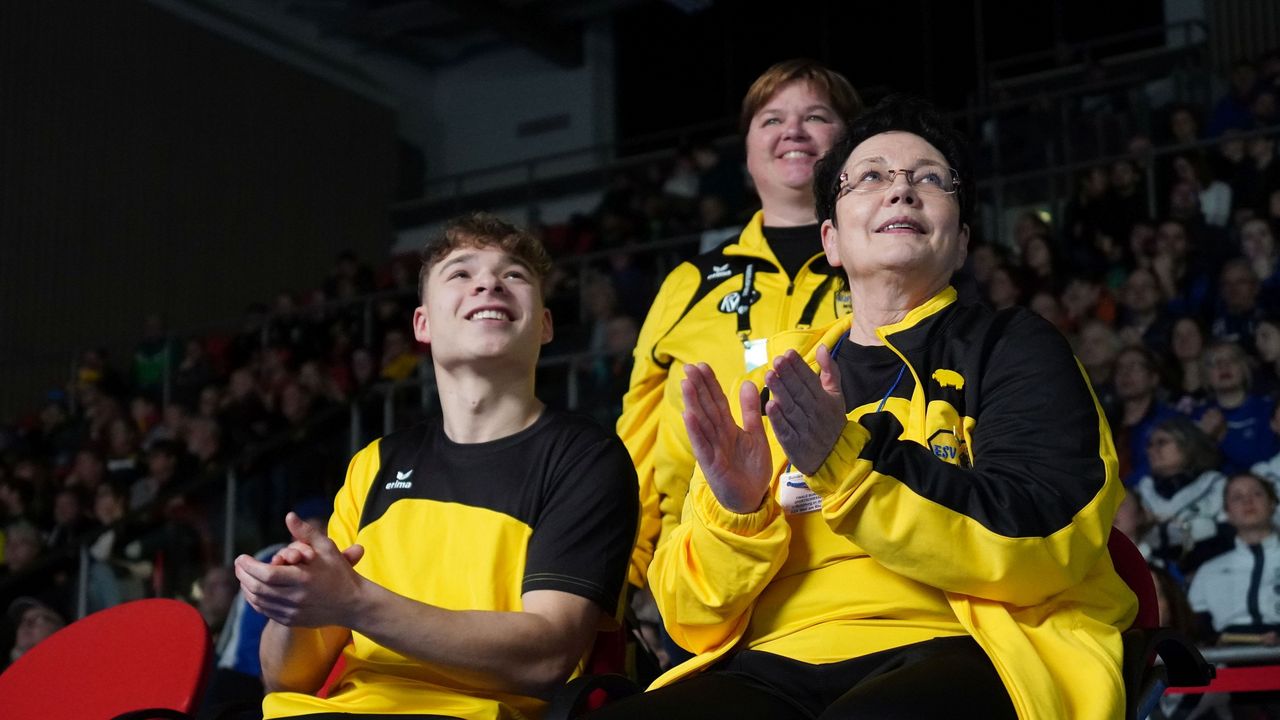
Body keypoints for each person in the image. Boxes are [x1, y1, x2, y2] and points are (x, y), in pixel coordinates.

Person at [589, 96, 1134, 719]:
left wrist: (848, 464)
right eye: (871, 177)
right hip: (768, 665)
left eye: (930, 179)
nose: (901, 191)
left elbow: (1045, 535)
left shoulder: (1014, 346)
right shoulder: (774, 383)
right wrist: (736, 514)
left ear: (960, 243)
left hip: (960, 645)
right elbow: (689, 615)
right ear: (832, 241)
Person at [234, 214, 638, 719]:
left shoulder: (585, 457)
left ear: (546, 324)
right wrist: (300, 601)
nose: (489, 282)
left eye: (513, 274)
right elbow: (285, 677)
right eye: (461, 273)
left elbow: (546, 656)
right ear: (422, 325)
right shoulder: (375, 464)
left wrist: (355, 601)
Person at [617, 59, 862, 587]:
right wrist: (626, 574)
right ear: (747, 152)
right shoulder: (691, 282)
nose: (793, 131)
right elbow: (637, 434)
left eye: (816, 116)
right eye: (771, 120)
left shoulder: (883, 269)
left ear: (852, 144)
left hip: (856, 559)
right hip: (706, 567)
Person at [1188, 472, 1280, 644]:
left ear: (1273, 503)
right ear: (1227, 512)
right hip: (1229, 662)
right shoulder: (1209, 571)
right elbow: (1197, 627)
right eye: (1237, 497)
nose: (1248, 501)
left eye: (1257, 493)